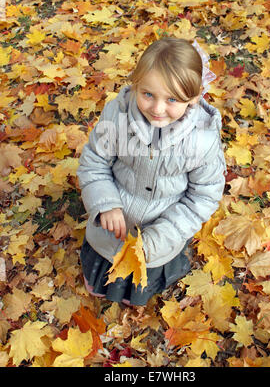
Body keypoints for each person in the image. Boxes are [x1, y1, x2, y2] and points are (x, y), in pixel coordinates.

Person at [77, 37, 226, 306]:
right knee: (106, 258)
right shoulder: (117, 116)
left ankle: (140, 286)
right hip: (114, 225)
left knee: (145, 268)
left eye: (171, 99)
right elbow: (94, 162)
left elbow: (202, 197)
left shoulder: (202, 141)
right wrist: (105, 203)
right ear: (136, 86)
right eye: (148, 94)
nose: (157, 109)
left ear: (193, 97)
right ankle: (101, 279)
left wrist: (165, 234)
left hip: (160, 230)